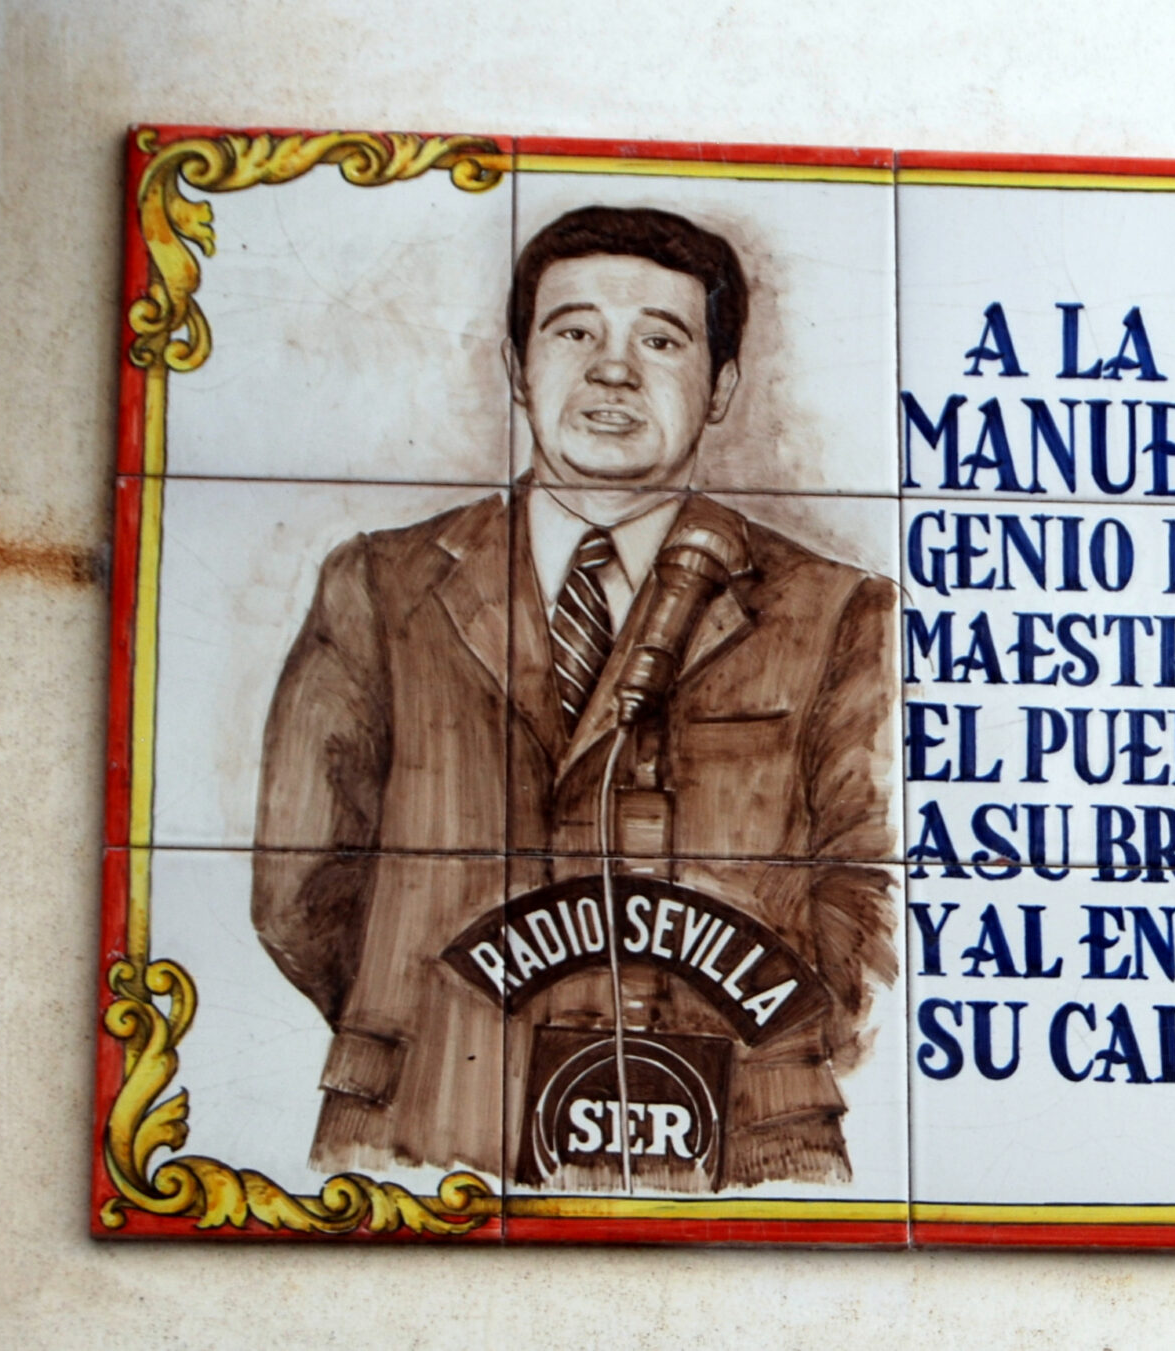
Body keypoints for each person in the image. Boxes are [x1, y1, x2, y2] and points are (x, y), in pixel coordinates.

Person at [251, 206, 898, 1191]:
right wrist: (438, 1016)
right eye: (575, 332)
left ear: (722, 385)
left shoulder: (834, 609)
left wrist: (743, 1023)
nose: (613, 370)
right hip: (426, 1128)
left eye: (660, 340)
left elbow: (873, 898)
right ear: (518, 366)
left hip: (740, 1138)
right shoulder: (380, 587)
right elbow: (299, 892)